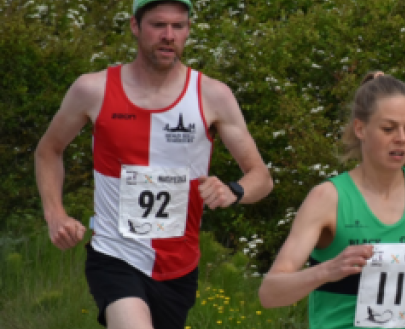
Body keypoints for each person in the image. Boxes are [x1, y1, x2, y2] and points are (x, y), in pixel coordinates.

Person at [33, 0, 273, 328]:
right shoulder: (93, 89)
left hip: (179, 265)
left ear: (188, 31)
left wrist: (234, 190)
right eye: (158, 25)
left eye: (178, 26)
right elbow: (48, 150)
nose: (169, 35)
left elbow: (261, 176)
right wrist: (55, 214)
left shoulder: (212, 96)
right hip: (115, 253)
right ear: (135, 26)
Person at [259, 72, 405, 329]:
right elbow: (270, 293)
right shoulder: (327, 198)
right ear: (360, 128)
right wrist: (327, 271)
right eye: (388, 128)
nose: (401, 138)